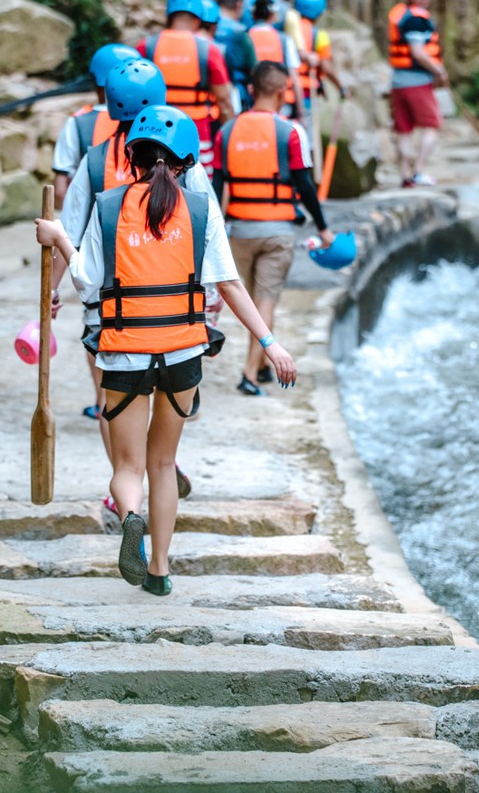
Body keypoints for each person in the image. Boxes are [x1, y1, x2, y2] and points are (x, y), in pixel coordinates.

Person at [36, 105, 297, 596]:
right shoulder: (200, 210)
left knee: (129, 468)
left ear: (131, 156)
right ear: (186, 162)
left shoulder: (110, 206)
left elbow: (88, 283)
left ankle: (129, 514)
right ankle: (158, 571)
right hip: (182, 355)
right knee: (163, 466)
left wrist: (59, 241)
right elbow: (232, 286)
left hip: (123, 353)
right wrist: (270, 343)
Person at [53, 57, 209, 500]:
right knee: (167, 396)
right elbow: (206, 225)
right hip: (176, 309)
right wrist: (210, 292)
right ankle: (162, 461)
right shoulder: (183, 160)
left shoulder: (95, 159)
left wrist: (50, 290)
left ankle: (123, 485)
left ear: (106, 99)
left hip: (107, 311)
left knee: (111, 400)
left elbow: (70, 224)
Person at [213, 61, 333, 396]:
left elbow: (217, 184)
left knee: (250, 300)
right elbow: (305, 186)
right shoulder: (291, 131)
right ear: (283, 92)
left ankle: (262, 366)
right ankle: (250, 373)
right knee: (265, 302)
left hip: (238, 230)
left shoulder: (227, 131)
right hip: (277, 232)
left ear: (250, 90)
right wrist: (323, 228)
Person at [138, 0, 236, 174]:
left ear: (169, 14)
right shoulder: (209, 50)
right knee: (199, 189)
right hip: (197, 132)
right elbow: (224, 101)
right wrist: (231, 137)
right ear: (198, 19)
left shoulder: (147, 46)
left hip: (154, 132)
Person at [51, 43, 140, 209]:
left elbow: (60, 190)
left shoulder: (78, 122)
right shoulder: (149, 119)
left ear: (93, 81)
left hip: (95, 219)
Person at [387, 0, 449, 188]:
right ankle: (418, 172)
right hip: (416, 82)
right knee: (432, 126)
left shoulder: (402, 15)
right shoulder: (415, 19)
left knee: (404, 130)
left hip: (398, 82)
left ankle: (405, 176)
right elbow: (418, 52)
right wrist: (440, 70)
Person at [247, 0, 303, 121]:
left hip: (250, 103)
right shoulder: (284, 39)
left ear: (253, 15)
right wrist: (301, 113)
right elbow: (295, 78)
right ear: (273, 15)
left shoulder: (245, 37)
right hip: (281, 106)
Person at [292, 0, 347, 105]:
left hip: (284, 88)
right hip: (305, 91)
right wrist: (341, 87)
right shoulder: (319, 35)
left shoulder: (287, 29)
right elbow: (326, 66)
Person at [214, 0, 256, 111]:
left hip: (209, 93)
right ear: (239, 4)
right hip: (236, 95)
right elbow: (253, 67)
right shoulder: (240, 32)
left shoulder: (204, 26)